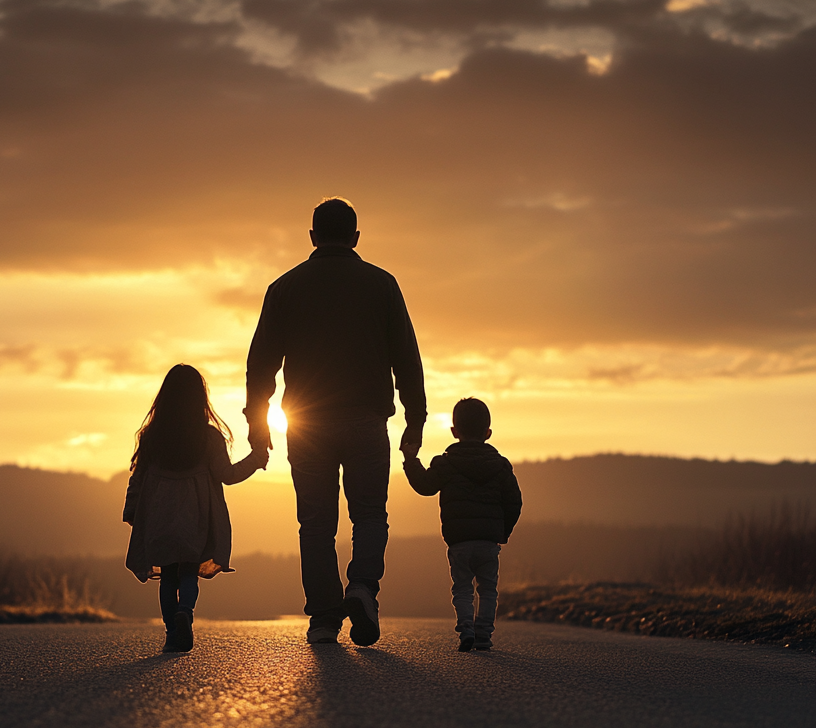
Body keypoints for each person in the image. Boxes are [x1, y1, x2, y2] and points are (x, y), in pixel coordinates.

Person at [245, 198, 426, 646]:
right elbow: (407, 358)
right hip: (366, 420)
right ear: (356, 238)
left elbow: (260, 365)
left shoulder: (284, 288)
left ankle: (325, 618)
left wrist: (258, 425)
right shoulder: (382, 285)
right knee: (368, 514)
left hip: (306, 424)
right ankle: (362, 587)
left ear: (311, 238)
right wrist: (415, 419)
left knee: (316, 523)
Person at [123, 364, 268, 652]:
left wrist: (131, 509)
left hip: (159, 513)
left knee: (167, 575)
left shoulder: (152, 436)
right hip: (195, 514)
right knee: (188, 571)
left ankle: (170, 631)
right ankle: (185, 613)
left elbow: (137, 477)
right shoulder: (209, 437)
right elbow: (227, 475)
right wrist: (256, 458)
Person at [401, 397, 522, 651]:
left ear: (454, 431)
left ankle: (466, 628)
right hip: (489, 541)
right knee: (488, 589)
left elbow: (424, 486)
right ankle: (484, 633)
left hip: (459, 541)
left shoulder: (445, 464)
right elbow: (514, 503)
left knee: (463, 588)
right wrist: (502, 532)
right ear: (488, 433)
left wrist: (411, 460)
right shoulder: (501, 466)